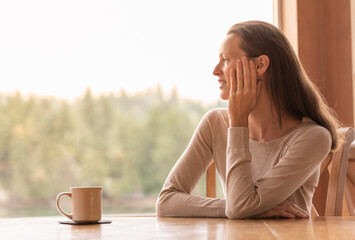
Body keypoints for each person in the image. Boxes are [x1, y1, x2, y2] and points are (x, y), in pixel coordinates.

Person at [155, 21, 341, 219]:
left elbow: (240, 208)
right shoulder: (214, 123)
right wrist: (241, 206)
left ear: (260, 65)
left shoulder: (313, 137)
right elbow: (166, 202)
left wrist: (238, 123)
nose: (216, 70)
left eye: (225, 60)